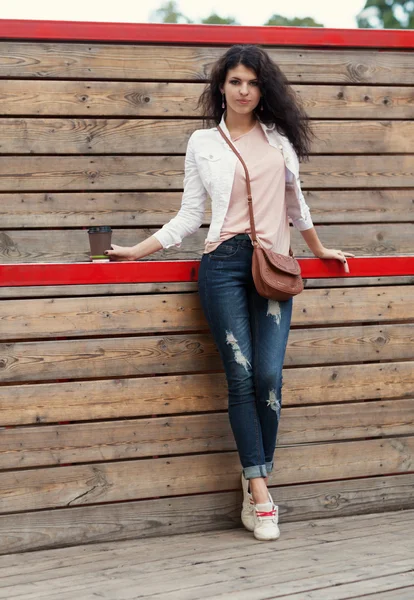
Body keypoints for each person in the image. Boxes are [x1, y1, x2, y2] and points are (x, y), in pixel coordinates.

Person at [105, 45, 354, 541]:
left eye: (253, 83)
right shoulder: (203, 143)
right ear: (221, 85)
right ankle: (259, 491)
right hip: (221, 265)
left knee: (268, 376)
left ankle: (252, 474)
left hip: (274, 267)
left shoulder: (279, 140)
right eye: (236, 81)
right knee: (240, 375)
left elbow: (295, 205)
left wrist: (320, 249)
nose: (244, 90)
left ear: (264, 90)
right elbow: (189, 214)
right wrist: (137, 250)